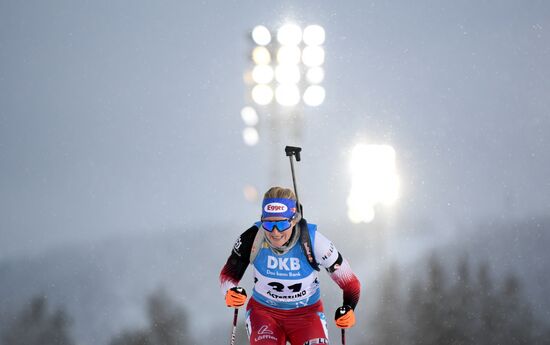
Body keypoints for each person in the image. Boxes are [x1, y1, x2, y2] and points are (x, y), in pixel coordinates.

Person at [220, 186, 361, 345]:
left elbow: (350, 282)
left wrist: (349, 308)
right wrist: (230, 292)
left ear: (294, 220)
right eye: (268, 224)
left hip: (306, 315)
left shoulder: (315, 242)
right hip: (264, 313)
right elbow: (228, 276)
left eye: (281, 224)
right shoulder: (252, 238)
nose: (275, 232)